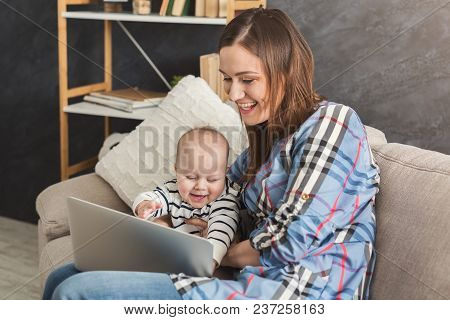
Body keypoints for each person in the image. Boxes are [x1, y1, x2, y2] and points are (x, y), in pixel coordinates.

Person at [43, 7, 380, 300]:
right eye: (227, 79)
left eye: (247, 80)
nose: (234, 94)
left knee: (76, 292)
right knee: (65, 275)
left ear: (286, 72)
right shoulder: (265, 140)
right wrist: (163, 222)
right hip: (248, 278)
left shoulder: (333, 123)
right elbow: (215, 193)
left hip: (297, 292)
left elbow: (289, 241)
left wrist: (214, 253)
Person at [133, 127, 240, 269]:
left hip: (206, 264)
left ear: (224, 174)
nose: (200, 186)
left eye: (212, 179)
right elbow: (153, 197)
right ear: (176, 170)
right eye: (190, 177)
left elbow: (221, 233)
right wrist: (145, 205)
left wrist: (209, 262)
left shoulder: (225, 199)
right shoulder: (174, 191)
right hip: (172, 256)